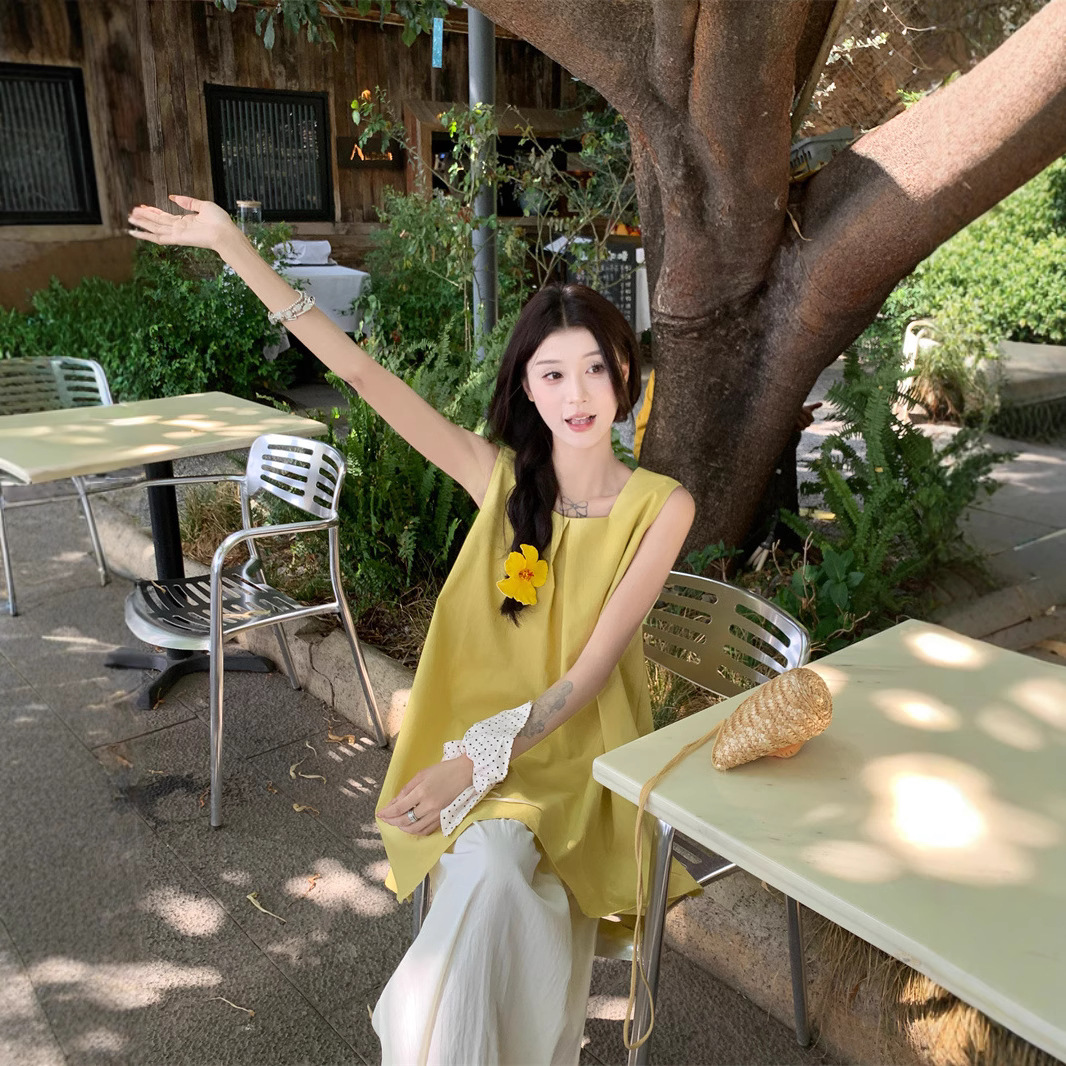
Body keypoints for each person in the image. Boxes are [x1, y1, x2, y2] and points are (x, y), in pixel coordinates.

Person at [128, 196, 699, 1066]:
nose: (578, 394)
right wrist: (233, 247)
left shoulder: (662, 507)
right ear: (526, 387)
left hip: (578, 753)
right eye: (552, 374)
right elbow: (361, 375)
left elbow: (587, 677)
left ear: (625, 370)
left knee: (491, 886)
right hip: (469, 742)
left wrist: (473, 762)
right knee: (496, 877)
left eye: (595, 368)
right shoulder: (495, 476)